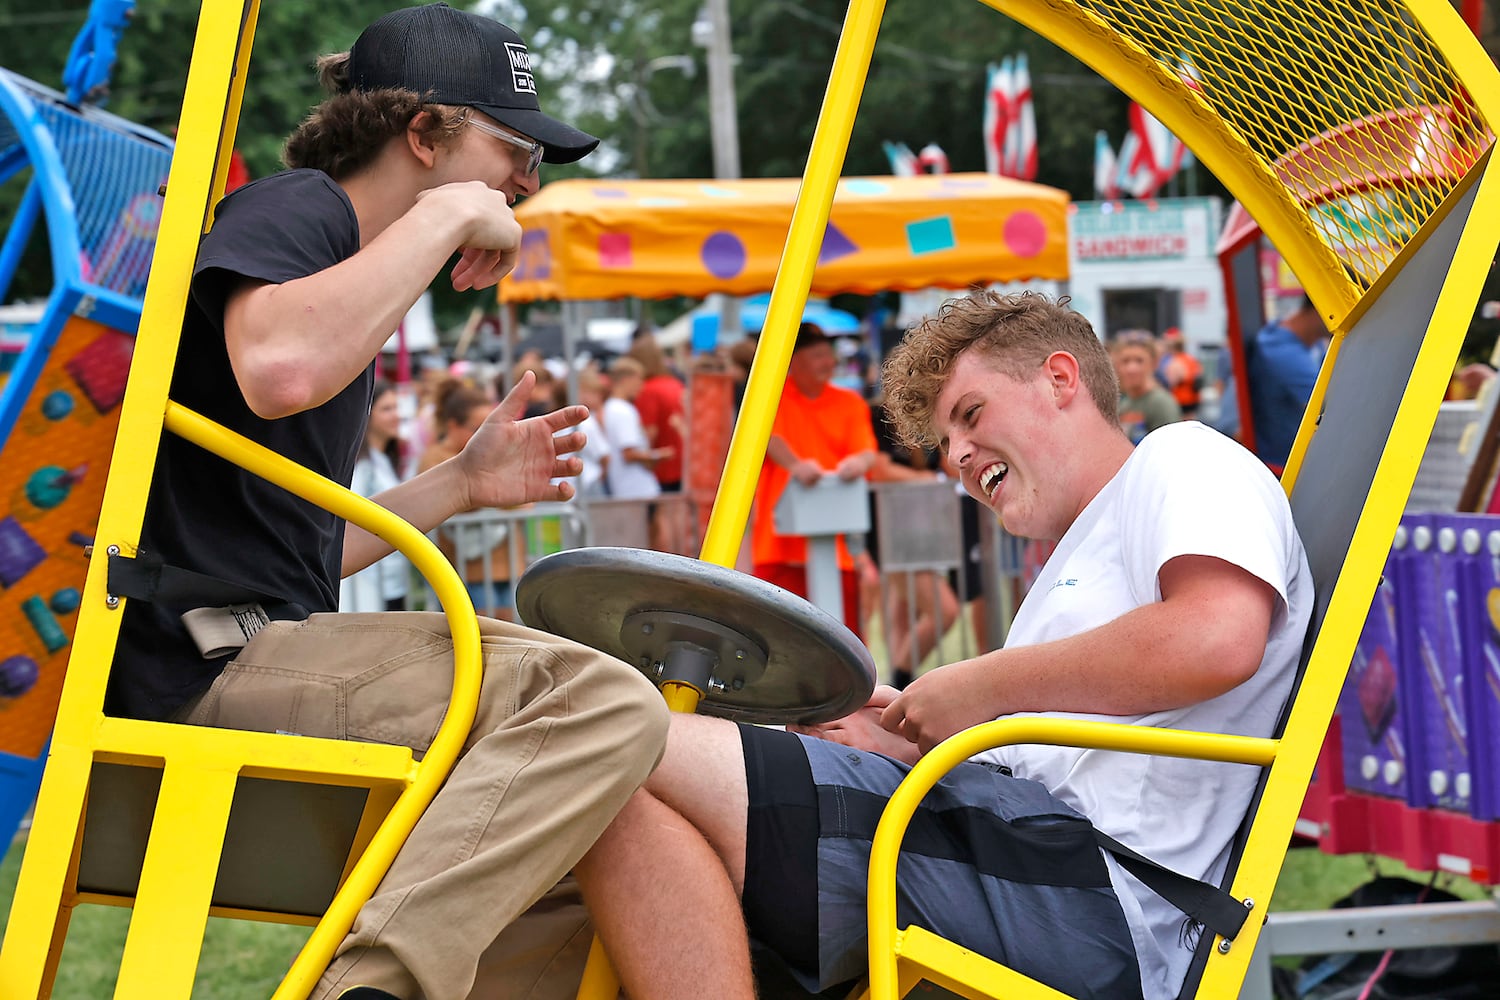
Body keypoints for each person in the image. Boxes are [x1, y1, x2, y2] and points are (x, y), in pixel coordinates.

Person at [101, 6, 669, 999]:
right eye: (512, 149)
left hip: (245, 640)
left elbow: (295, 558)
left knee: (590, 849)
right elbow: (277, 368)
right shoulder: (300, 209)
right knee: (598, 698)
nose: (528, 184)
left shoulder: (340, 275)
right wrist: (449, 214)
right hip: (196, 662)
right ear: (423, 135)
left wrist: (458, 480)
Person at [567, 291, 1312, 1000]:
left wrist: (980, 686)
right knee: (617, 792)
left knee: (623, 740)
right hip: (1036, 858)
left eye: (971, 413)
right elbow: (1053, 757)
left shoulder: (1181, 458)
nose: (957, 455)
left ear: (1060, 379)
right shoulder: (1075, 560)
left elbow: (1217, 637)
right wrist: (900, 741)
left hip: (1097, 895)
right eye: (947, 440)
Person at [750, 322, 878, 637]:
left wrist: (856, 463)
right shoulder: (770, 399)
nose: (829, 362)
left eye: (829, 355)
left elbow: (867, 452)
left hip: (836, 544)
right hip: (778, 545)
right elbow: (767, 438)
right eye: (819, 355)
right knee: (777, 638)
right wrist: (795, 465)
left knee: (843, 637)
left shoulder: (850, 403)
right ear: (794, 362)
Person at [418, 378, 525, 619]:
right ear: (453, 425)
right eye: (476, 429)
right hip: (465, 568)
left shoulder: (496, 454)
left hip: (507, 561)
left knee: (510, 634)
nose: (485, 436)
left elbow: (517, 499)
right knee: (482, 636)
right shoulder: (435, 458)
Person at [340, 379, 410, 612]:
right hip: (369, 582)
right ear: (368, 415)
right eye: (386, 409)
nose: (396, 415)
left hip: (392, 576)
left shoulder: (385, 460)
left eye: (397, 407)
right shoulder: (362, 466)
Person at [1247, 294, 1328, 468]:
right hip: (1281, 468)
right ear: (1322, 307)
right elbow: (1331, 404)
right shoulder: (1281, 351)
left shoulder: (1307, 344)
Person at [629, 334, 689, 552]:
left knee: (661, 518)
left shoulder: (649, 390)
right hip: (681, 458)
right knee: (676, 516)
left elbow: (649, 433)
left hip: (662, 464)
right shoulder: (674, 384)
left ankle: (665, 561)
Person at [603, 355, 670, 501]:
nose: (641, 386)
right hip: (636, 489)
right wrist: (658, 455)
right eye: (639, 380)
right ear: (626, 380)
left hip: (628, 488)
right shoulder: (622, 410)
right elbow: (629, 453)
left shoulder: (611, 408)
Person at [1111, 329, 1182, 445]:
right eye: (1125, 361)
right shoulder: (1123, 404)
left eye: (1139, 361)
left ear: (1153, 363)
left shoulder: (1161, 403)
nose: (1131, 368)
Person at [1155, 327, 1204, 418]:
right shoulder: (1190, 359)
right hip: (1192, 401)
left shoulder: (1175, 361)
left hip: (1180, 402)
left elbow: (1170, 383)